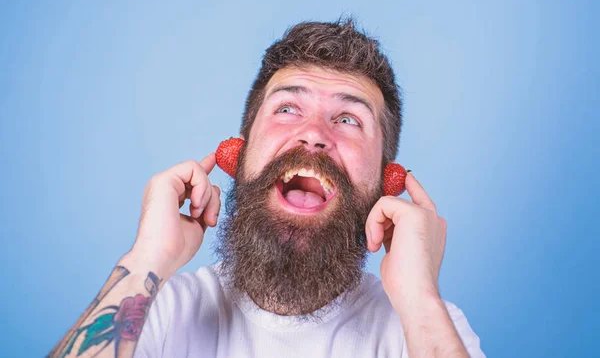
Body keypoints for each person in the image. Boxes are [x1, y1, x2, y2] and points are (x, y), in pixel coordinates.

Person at [49, 18, 485, 358]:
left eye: (349, 119)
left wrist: (420, 296)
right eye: (288, 107)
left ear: (384, 185)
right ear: (237, 156)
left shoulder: (424, 327)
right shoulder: (157, 315)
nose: (313, 135)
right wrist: (147, 257)